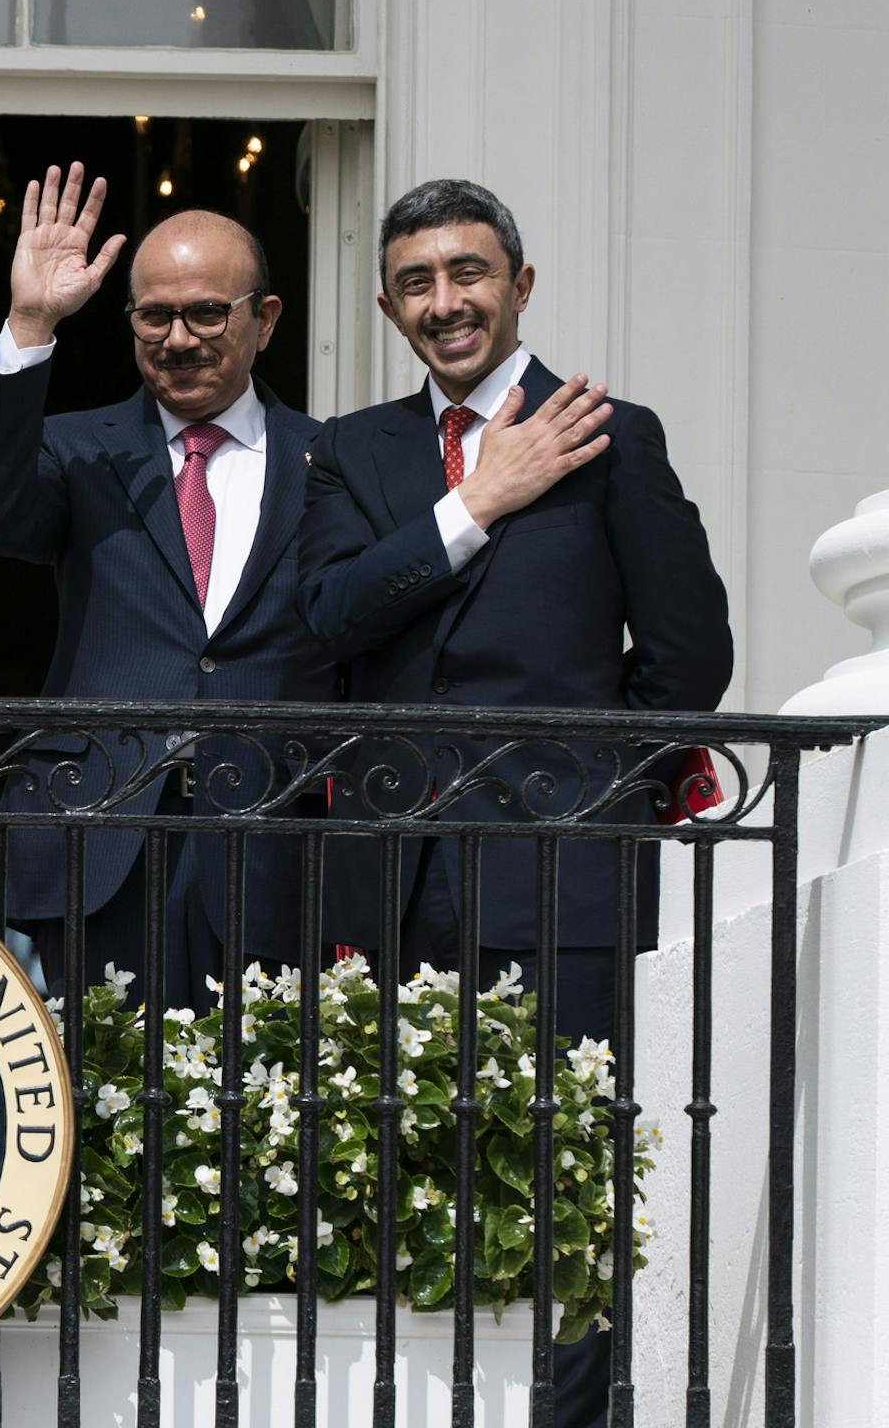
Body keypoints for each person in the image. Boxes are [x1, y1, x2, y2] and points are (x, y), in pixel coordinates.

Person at [298, 178, 734, 1426]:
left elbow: (690, 658)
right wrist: (477, 502)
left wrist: (593, 788)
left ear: (521, 284)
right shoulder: (353, 450)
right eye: (418, 283)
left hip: (561, 872)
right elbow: (328, 616)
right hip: (393, 875)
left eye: (469, 273)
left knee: (567, 1178)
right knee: (395, 1168)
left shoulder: (608, 435)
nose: (446, 302)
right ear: (388, 307)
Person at [0, 165, 339, 1003]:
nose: (179, 339)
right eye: (154, 316)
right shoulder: (79, 449)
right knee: (86, 1078)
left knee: (262, 1081)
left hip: (271, 843)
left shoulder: (332, 461)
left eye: (208, 313)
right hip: (96, 833)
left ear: (267, 320)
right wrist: (31, 323)